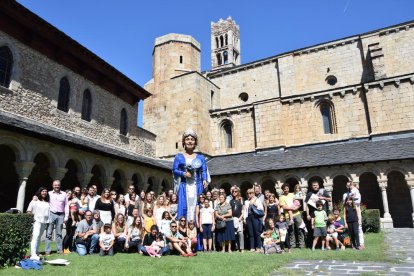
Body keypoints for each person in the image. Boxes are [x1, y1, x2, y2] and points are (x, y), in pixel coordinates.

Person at [173, 129, 208, 221]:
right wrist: (184, 173)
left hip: (197, 185)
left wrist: (204, 179)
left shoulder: (200, 157)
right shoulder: (179, 157)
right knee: (185, 207)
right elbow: (174, 170)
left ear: (195, 142)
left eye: (192, 139)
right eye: (187, 139)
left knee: (197, 207)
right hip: (184, 186)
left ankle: (197, 232)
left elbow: (204, 170)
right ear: (184, 142)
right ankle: (184, 231)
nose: (190, 141)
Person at [45, 180, 69, 255]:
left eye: (58, 185)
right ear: (52, 186)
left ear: (60, 185)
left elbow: (66, 205)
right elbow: (44, 202)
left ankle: (59, 250)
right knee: (49, 233)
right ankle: (47, 250)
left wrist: (66, 216)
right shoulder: (49, 193)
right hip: (51, 214)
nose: (56, 186)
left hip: (61, 215)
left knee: (59, 233)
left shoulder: (64, 194)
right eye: (55, 185)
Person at [279, 183, 305, 249]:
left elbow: (299, 202)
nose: (286, 190)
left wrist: (296, 208)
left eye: (287, 188)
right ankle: (292, 244)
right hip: (288, 216)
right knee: (291, 230)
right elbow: (283, 207)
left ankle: (301, 244)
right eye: (284, 189)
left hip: (297, 214)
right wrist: (292, 208)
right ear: (282, 190)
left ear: (289, 188)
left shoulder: (293, 194)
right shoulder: (281, 197)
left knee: (300, 229)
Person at [27, 187, 50, 260]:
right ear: (40, 192)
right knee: (35, 237)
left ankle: (36, 252)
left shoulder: (47, 202)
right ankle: (33, 254)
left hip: (44, 221)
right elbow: (29, 210)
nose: (44, 193)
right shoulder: (35, 200)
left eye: (46, 191)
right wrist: (31, 220)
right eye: (43, 191)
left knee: (39, 237)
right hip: (36, 221)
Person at [343, 181, 364, 249]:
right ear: (346, 186)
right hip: (349, 211)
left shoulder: (357, 192)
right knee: (351, 232)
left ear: (353, 185)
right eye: (348, 185)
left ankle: (361, 243)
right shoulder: (345, 194)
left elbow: (358, 201)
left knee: (358, 229)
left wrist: (353, 198)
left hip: (356, 209)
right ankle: (353, 244)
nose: (349, 186)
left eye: (350, 185)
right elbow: (344, 203)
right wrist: (349, 197)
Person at [244, 188, 263, 252]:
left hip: (255, 217)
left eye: (250, 193)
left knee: (257, 232)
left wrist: (254, 204)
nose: (249, 194)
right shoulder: (246, 201)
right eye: (247, 193)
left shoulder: (257, 200)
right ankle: (252, 247)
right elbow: (245, 211)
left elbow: (261, 208)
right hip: (248, 217)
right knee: (250, 233)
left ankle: (258, 246)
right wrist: (245, 218)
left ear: (253, 193)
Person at [229, 187, 244, 252]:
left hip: (239, 218)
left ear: (238, 192)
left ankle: (242, 248)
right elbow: (230, 210)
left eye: (235, 191)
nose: (234, 193)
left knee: (240, 233)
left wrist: (241, 217)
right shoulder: (231, 201)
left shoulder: (241, 199)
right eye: (233, 192)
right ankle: (237, 247)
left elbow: (244, 209)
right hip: (233, 218)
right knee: (235, 234)